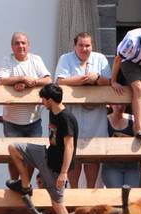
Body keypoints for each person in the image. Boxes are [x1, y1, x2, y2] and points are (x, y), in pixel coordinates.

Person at [6, 84, 77, 214]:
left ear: (50, 100)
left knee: (58, 204)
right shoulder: (53, 111)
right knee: (14, 148)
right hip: (46, 155)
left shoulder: (66, 118)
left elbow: (70, 146)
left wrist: (64, 173)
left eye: (43, 99)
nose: (42, 102)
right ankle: (24, 184)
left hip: (57, 167)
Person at [55, 32, 111, 189]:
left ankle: (91, 189)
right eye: (81, 45)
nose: (84, 49)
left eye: (88, 45)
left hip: (96, 113)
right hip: (73, 112)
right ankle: (73, 190)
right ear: (75, 45)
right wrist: (85, 79)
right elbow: (60, 80)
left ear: (92, 46)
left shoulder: (100, 58)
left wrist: (97, 78)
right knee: (74, 154)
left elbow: (109, 81)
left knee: (93, 155)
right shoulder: (65, 58)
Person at [0, 32, 52, 137]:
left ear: (28, 45)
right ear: (12, 47)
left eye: (23, 43)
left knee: (34, 153)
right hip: (11, 122)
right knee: (13, 153)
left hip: (33, 121)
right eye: (17, 43)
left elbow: (48, 80)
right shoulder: (7, 60)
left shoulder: (36, 59)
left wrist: (32, 83)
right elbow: (1, 81)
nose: (21, 46)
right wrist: (23, 78)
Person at [101, 104, 140, 188]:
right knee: (116, 195)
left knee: (130, 195)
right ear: (111, 105)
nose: (120, 106)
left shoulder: (132, 119)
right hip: (111, 165)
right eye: (116, 103)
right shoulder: (104, 121)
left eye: (122, 103)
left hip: (131, 165)